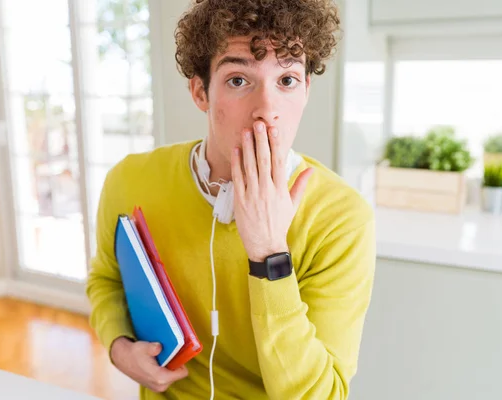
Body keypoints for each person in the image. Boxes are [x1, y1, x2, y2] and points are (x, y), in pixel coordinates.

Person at [85, 0, 376, 399]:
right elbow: (106, 280)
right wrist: (118, 346)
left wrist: (270, 255)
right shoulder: (130, 179)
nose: (267, 110)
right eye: (239, 80)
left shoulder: (342, 218)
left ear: (306, 89)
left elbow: (322, 394)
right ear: (200, 91)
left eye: (287, 80)